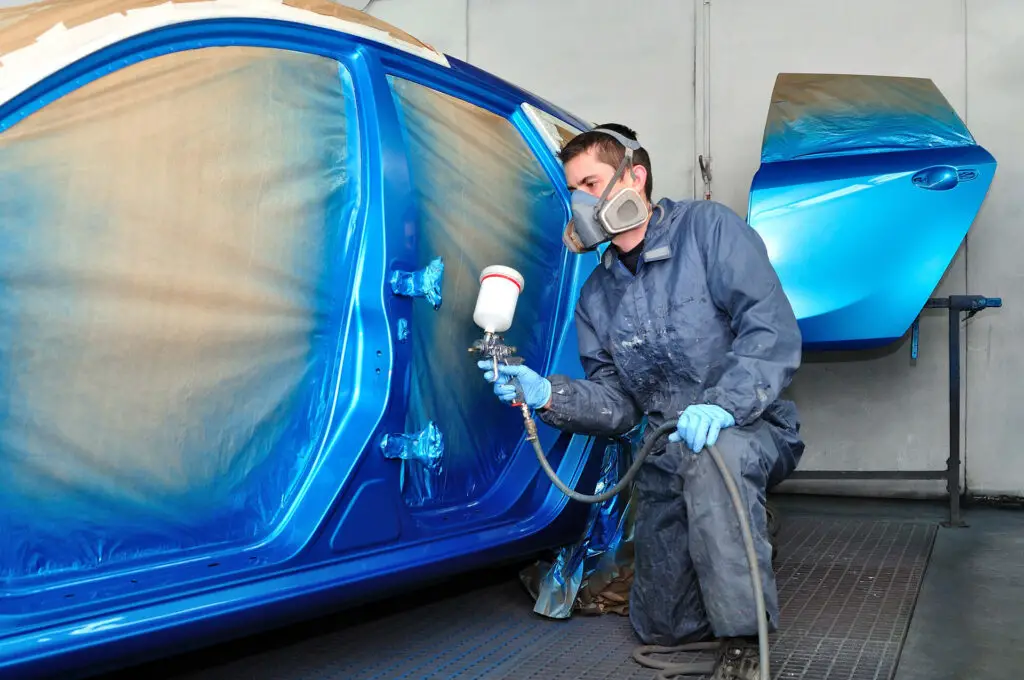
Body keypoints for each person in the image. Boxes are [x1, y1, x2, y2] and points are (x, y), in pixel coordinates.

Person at [478, 123, 805, 680]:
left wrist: (725, 404)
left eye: (591, 182)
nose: (582, 201)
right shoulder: (596, 296)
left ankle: (745, 640)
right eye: (573, 191)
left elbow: (769, 330)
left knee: (715, 464)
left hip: (751, 424)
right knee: (662, 625)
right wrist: (546, 392)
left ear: (635, 178)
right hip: (664, 450)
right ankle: (731, 542)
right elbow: (619, 406)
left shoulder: (709, 231)